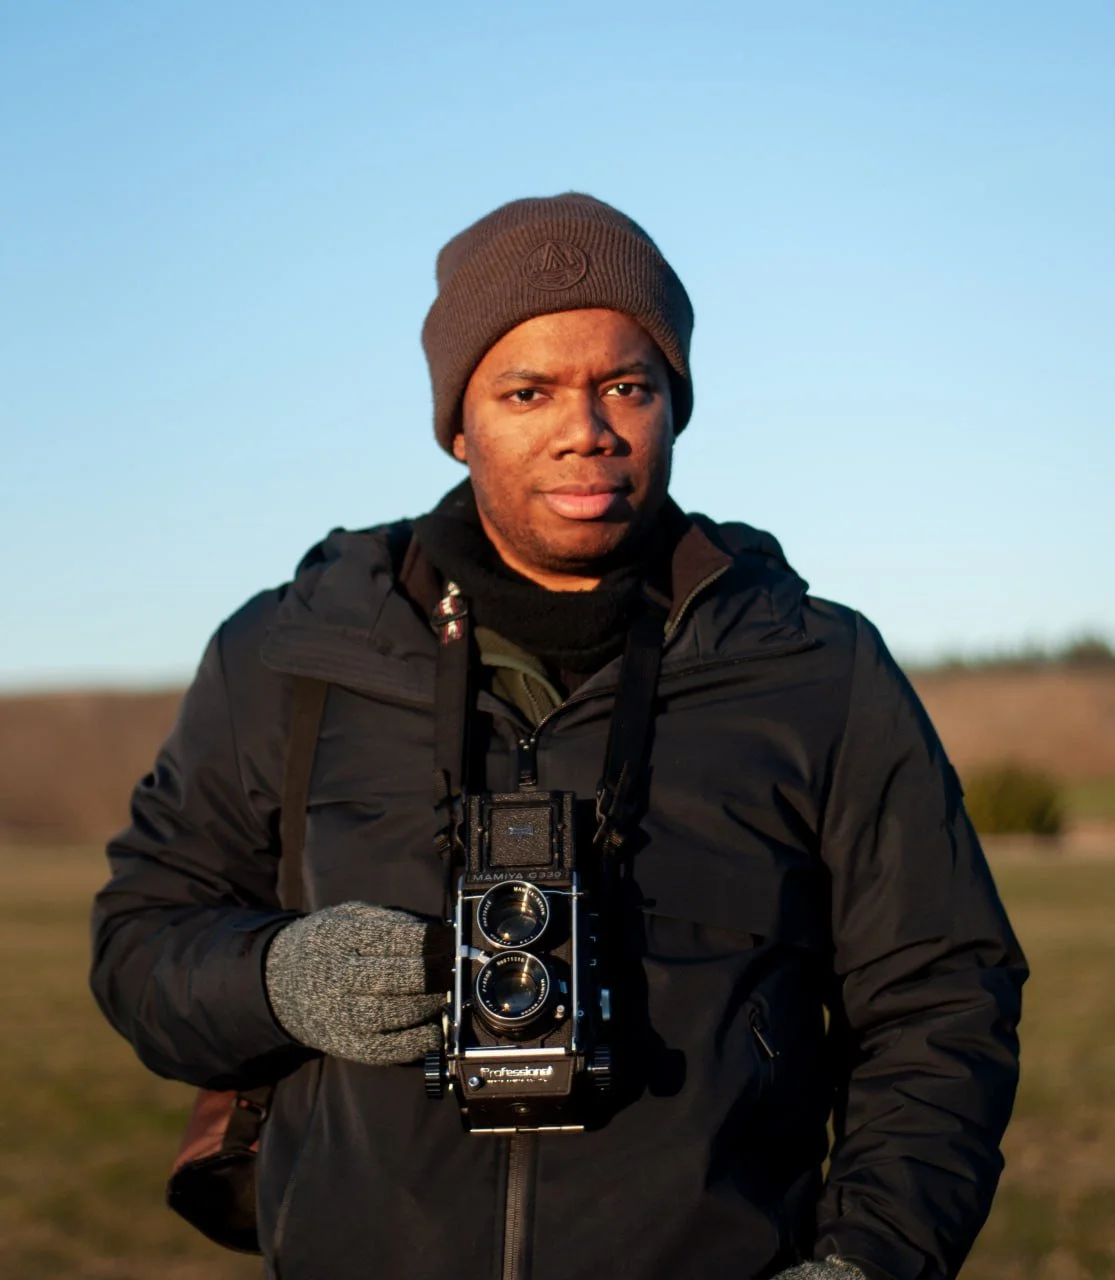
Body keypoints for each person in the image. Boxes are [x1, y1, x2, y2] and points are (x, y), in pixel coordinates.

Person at [90, 193, 1026, 1280]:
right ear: (458, 419)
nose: (584, 429)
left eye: (624, 384)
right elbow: (140, 943)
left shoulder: (812, 665)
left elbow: (941, 1000)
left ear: (674, 402)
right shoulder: (294, 654)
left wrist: (867, 1261)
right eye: (526, 390)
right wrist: (276, 978)